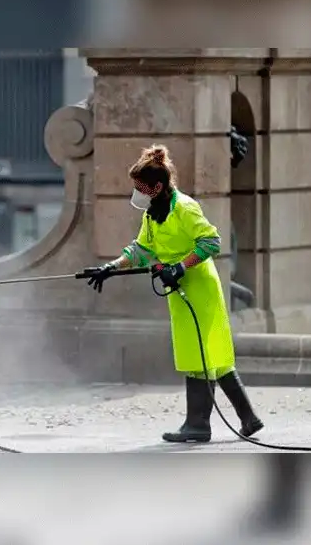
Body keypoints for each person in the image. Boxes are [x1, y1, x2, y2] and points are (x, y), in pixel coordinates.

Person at [86, 143, 264, 443]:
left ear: (157, 186)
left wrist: (180, 267)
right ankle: (249, 419)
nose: (136, 193)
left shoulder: (184, 208)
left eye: (140, 187)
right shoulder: (153, 214)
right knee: (214, 357)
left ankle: (197, 425)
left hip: (199, 288)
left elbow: (211, 242)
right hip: (180, 291)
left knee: (200, 356)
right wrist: (111, 267)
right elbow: (141, 250)